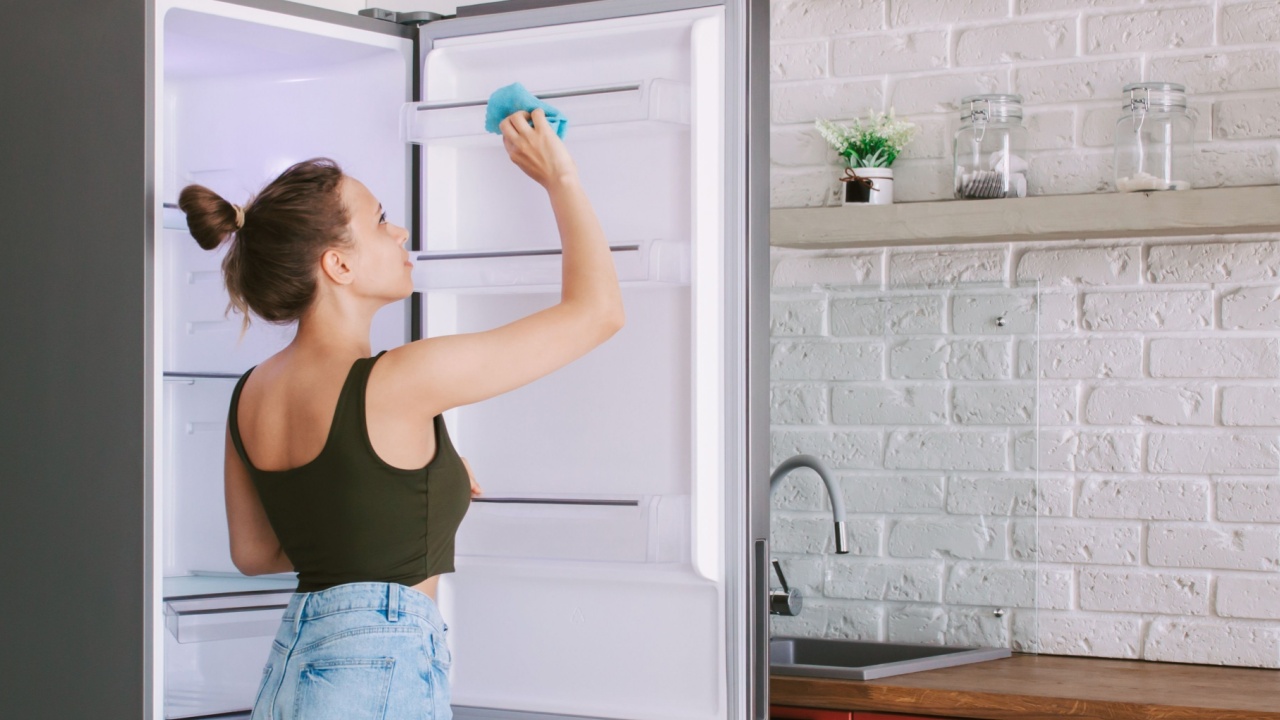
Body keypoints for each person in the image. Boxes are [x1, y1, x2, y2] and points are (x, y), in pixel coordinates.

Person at [177, 107, 624, 720]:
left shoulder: (251, 392)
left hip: (292, 669)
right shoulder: (399, 381)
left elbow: (254, 553)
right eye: (381, 219)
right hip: (375, 667)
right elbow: (598, 312)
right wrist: (559, 177)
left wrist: (393, 499)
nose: (400, 231)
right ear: (338, 264)